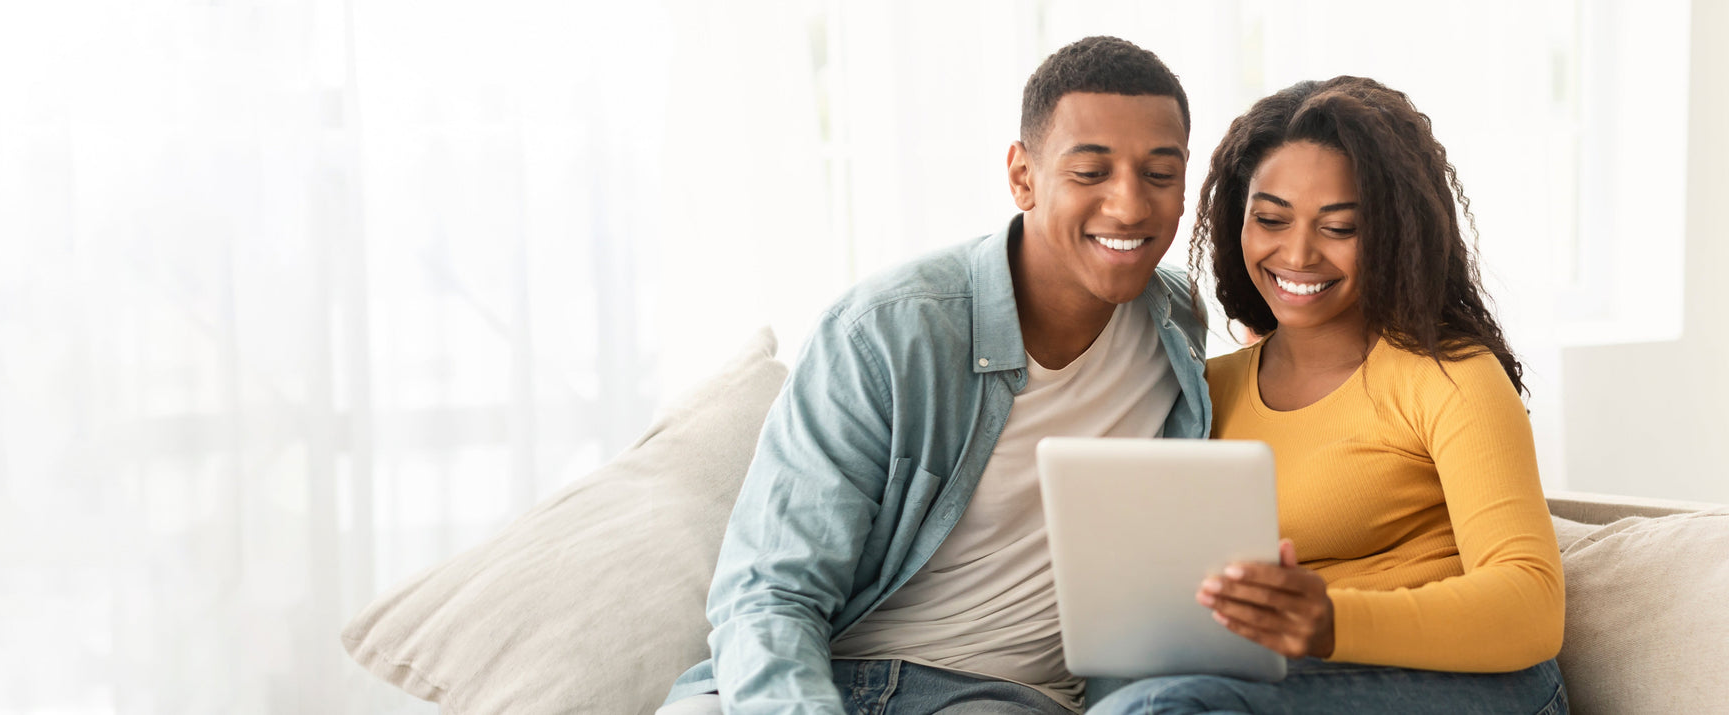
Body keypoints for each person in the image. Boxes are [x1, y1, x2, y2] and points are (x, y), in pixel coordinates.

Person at [658, 36, 1211, 714]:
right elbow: (770, 591)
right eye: (1091, 172)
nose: (1129, 206)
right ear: (1023, 176)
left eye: (1160, 174)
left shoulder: (1176, 325)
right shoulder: (886, 331)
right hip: (819, 671)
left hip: (994, 695)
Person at [1086, 76, 1567, 713]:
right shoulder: (1210, 390)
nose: (1298, 253)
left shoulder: (1449, 375)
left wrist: (1331, 621)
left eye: (1339, 228)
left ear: (1396, 234)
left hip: (1481, 685)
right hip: (1284, 678)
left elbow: (1531, 607)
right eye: (1271, 220)